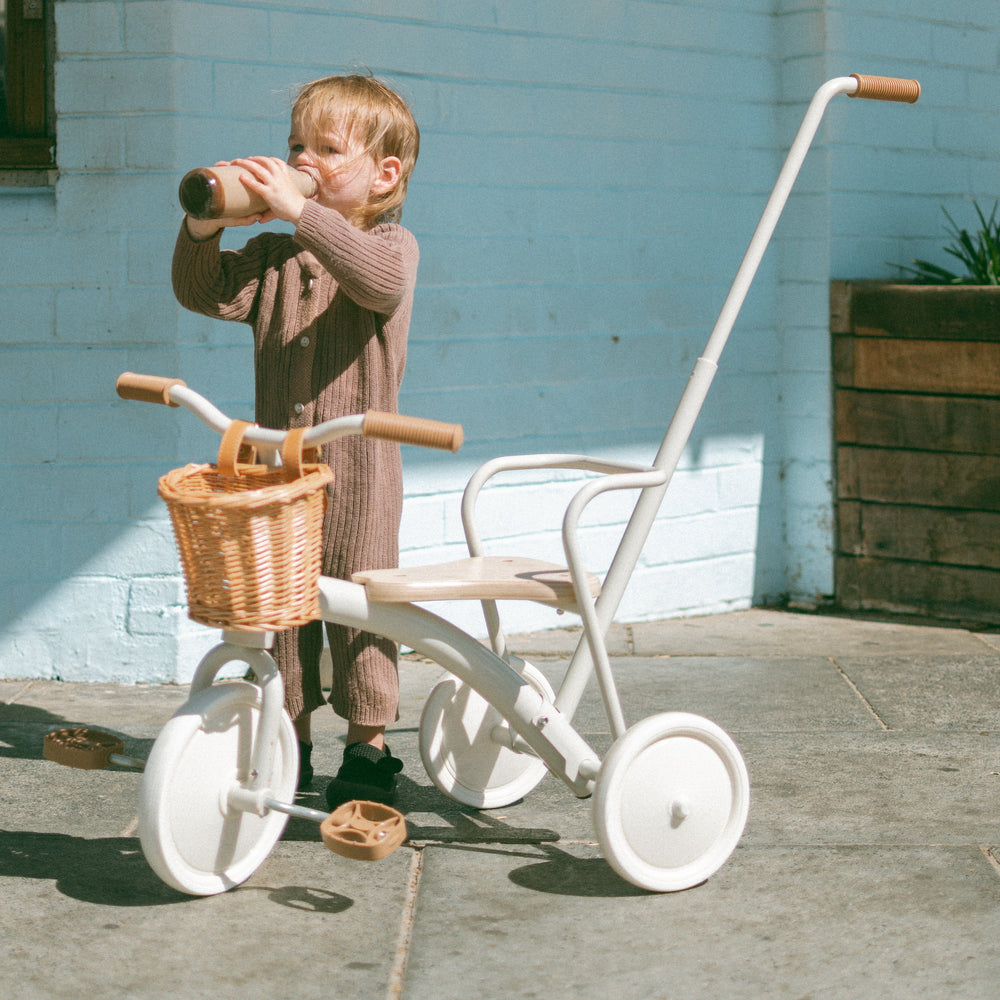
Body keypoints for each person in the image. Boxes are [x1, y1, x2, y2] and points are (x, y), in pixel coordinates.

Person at [172, 73, 420, 809]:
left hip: (360, 475)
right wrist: (205, 226)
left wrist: (301, 210)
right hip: (278, 475)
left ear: (384, 174)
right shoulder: (278, 257)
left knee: (357, 610)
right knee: (282, 613)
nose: (302, 162)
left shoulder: (392, 246)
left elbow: (374, 283)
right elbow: (204, 290)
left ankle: (369, 748)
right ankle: (289, 736)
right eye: (294, 147)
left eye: (326, 149)